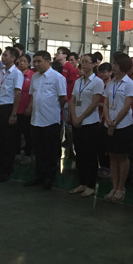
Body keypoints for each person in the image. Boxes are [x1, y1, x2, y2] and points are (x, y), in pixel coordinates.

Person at [25, 51, 67, 190]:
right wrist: (30, 108)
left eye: (39, 61)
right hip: (36, 119)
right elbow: (33, 95)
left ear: (48, 62)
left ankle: (50, 177)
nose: (36, 64)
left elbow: (62, 98)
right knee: (38, 150)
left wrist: (54, 110)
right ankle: (39, 176)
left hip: (50, 120)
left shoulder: (57, 77)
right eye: (35, 61)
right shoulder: (35, 77)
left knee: (50, 151)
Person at [0, 47, 23, 182]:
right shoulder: (0, 72)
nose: (3, 57)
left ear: (13, 58)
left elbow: (18, 93)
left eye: (6, 55)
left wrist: (14, 113)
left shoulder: (17, 74)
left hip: (8, 108)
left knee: (8, 141)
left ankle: (7, 170)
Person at [68, 54, 104, 197]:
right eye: (82, 62)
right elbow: (72, 100)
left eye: (87, 62)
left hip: (90, 123)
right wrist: (74, 117)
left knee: (90, 154)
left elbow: (94, 103)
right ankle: (82, 183)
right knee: (80, 154)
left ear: (94, 64)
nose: (84, 64)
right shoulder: (78, 82)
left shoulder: (97, 82)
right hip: (77, 122)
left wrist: (81, 117)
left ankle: (90, 185)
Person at [101, 52, 133, 203]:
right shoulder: (110, 83)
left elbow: (127, 106)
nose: (113, 67)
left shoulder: (129, 84)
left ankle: (121, 188)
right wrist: (108, 119)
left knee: (122, 157)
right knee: (112, 156)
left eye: (115, 64)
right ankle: (114, 187)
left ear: (123, 66)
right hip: (109, 124)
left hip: (123, 125)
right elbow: (106, 103)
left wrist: (114, 122)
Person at [15, 54, 34, 163]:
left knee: (27, 133)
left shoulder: (32, 75)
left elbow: (34, 93)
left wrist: (30, 106)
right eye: (20, 61)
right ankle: (17, 152)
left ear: (28, 63)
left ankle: (27, 154)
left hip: (26, 108)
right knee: (16, 132)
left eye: (24, 61)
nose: (22, 63)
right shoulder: (15, 73)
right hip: (15, 108)